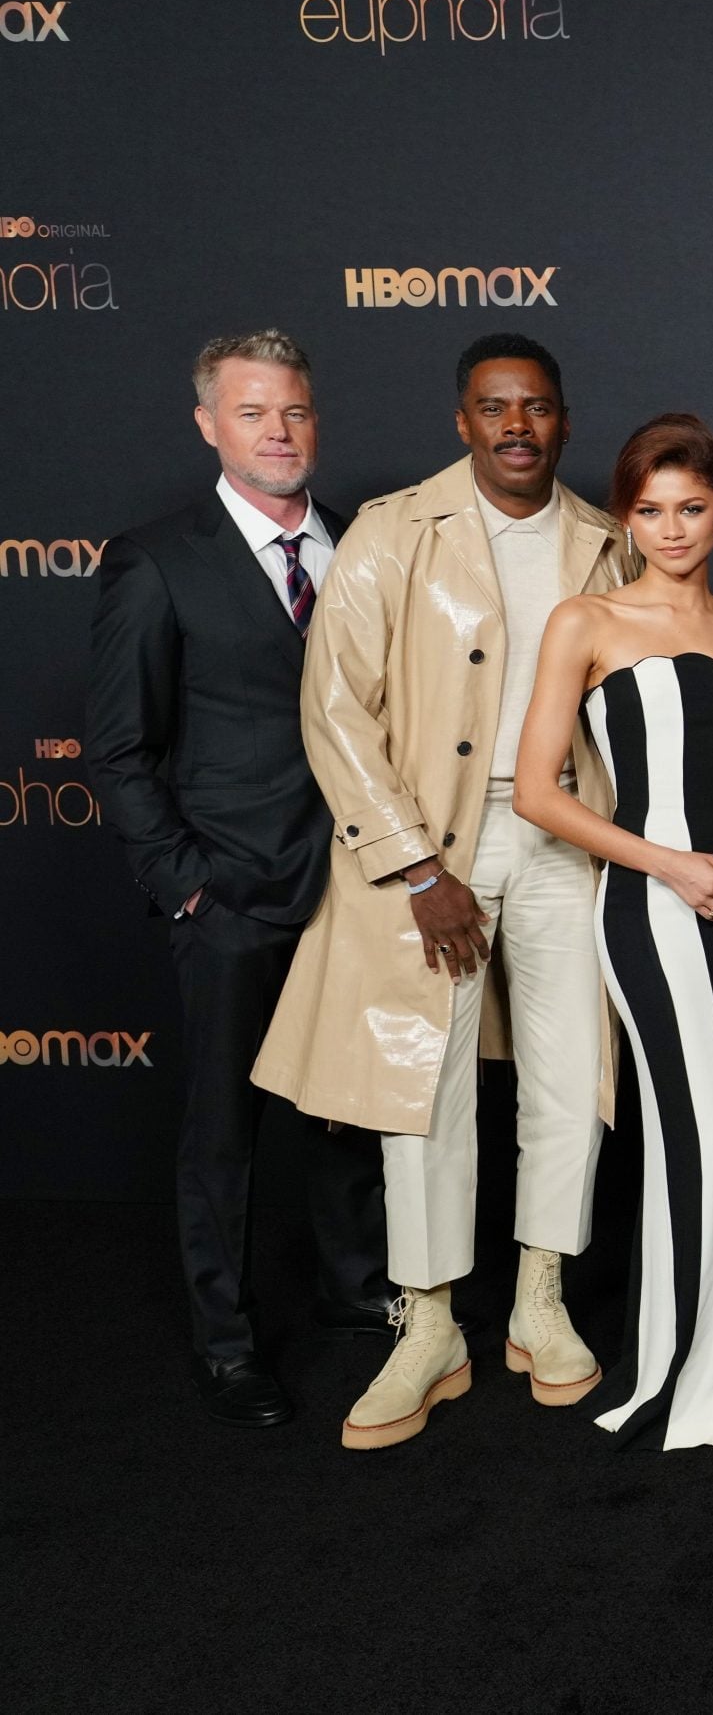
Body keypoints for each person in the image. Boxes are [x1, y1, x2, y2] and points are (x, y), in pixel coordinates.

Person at [254, 333, 633, 1449]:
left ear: (563, 422)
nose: (517, 425)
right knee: (423, 1088)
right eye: (493, 407)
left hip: (567, 841)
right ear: (462, 421)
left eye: (537, 406)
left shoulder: (606, 542)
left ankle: (539, 1300)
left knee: (571, 1072)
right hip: (434, 852)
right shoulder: (391, 531)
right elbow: (334, 708)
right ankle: (427, 1325)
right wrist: (416, 866)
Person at [88, 330, 393, 1428]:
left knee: (350, 1112)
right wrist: (187, 887)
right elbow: (119, 749)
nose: (279, 431)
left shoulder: (362, 544)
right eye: (254, 412)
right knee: (223, 1131)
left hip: (354, 886)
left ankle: (358, 1292)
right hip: (227, 892)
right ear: (208, 424)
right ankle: (228, 1342)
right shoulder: (156, 559)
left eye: (295, 411)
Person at [512, 414, 713, 1449]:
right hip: (651, 903)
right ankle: (687, 1357)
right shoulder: (585, 622)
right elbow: (536, 793)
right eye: (650, 510)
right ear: (626, 517)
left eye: (691, 508)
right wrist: (667, 863)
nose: (672, 528)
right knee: (694, 1125)